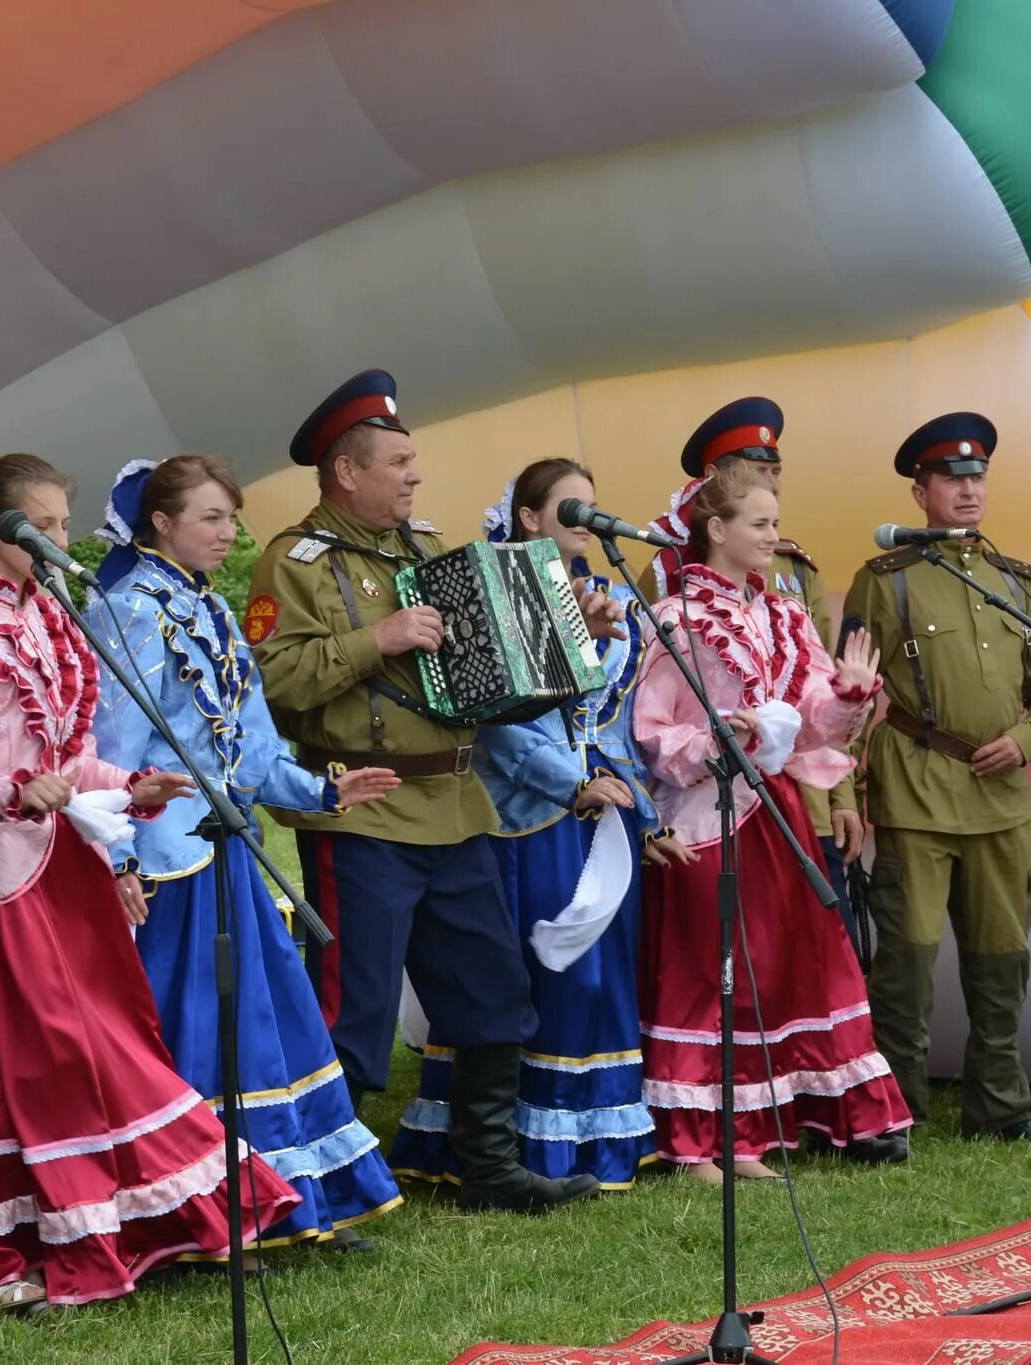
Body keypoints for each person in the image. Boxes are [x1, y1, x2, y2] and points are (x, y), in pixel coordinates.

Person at [0, 454, 302, 1310]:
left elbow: (69, 755)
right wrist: (11, 791)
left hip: (62, 862)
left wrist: (125, 787)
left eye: (65, 524)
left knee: (81, 1045)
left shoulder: (51, 618)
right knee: (39, 1054)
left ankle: (67, 1226)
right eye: (44, 526)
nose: (61, 540)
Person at [246, 370, 610, 1214]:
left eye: (414, 461)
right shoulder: (294, 562)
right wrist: (376, 638)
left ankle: (486, 1166)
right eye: (399, 461)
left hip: (457, 806)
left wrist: (566, 642)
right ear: (348, 471)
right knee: (355, 1010)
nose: (415, 475)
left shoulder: (426, 549)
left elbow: (487, 675)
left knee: (494, 992)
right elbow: (271, 682)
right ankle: (318, 1185)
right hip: (368, 810)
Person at [87, 454, 405, 1254]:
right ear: (160, 523)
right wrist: (119, 857)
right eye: (212, 519)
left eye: (231, 518)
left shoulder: (213, 610)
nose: (229, 534)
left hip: (228, 851)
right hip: (169, 862)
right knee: (192, 1031)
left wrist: (324, 791)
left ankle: (285, 1197)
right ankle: (189, 1211)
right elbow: (116, 748)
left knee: (264, 1023)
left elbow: (252, 747)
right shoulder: (126, 610)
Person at [390, 459, 676, 1191]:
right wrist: (572, 783)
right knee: (539, 974)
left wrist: (631, 800)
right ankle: (511, 1141)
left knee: (593, 977)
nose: (585, 521)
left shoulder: (610, 595)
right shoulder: (499, 590)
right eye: (570, 508)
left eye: (592, 507)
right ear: (528, 518)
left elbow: (610, 719)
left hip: (597, 808)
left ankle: (587, 1133)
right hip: (531, 815)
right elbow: (497, 725)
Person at [635, 460, 912, 1177]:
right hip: (709, 814)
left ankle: (749, 1134)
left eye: (774, 523)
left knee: (768, 969)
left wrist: (848, 695)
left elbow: (816, 723)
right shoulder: (676, 618)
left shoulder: (782, 613)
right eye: (758, 524)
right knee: (707, 968)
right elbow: (651, 729)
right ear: (717, 529)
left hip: (778, 807)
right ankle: (695, 1141)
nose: (771, 536)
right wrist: (723, 737)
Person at [843, 413, 1031, 1141]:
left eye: (978, 476)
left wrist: (1026, 738)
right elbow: (844, 696)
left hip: (1000, 798)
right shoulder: (885, 581)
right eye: (953, 478)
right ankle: (896, 1107)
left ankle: (1000, 1104)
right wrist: (846, 794)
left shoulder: (1012, 580)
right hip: (916, 789)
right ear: (921, 491)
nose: (970, 489)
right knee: (906, 964)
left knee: (1001, 960)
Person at [679, 398, 867, 957]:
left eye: (773, 470)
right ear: (716, 481)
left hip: (800, 794)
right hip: (717, 805)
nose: (768, 481)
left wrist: (842, 796)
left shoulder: (794, 570)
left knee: (825, 953)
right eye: (753, 470)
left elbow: (825, 683)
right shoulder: (673, 565)